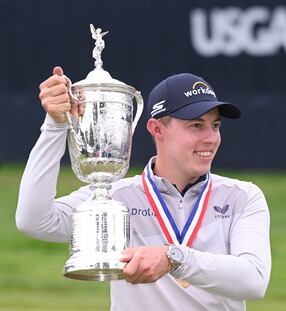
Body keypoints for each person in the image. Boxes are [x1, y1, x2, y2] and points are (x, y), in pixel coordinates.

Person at [16, 66, 271, 311]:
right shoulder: (117, 195)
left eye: (215, 125)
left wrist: (173, 258)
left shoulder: (242, 197)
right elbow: (35, 220)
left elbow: (254, 279)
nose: (211, 138)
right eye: (196, 125)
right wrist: (55, 125)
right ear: (157, 129)